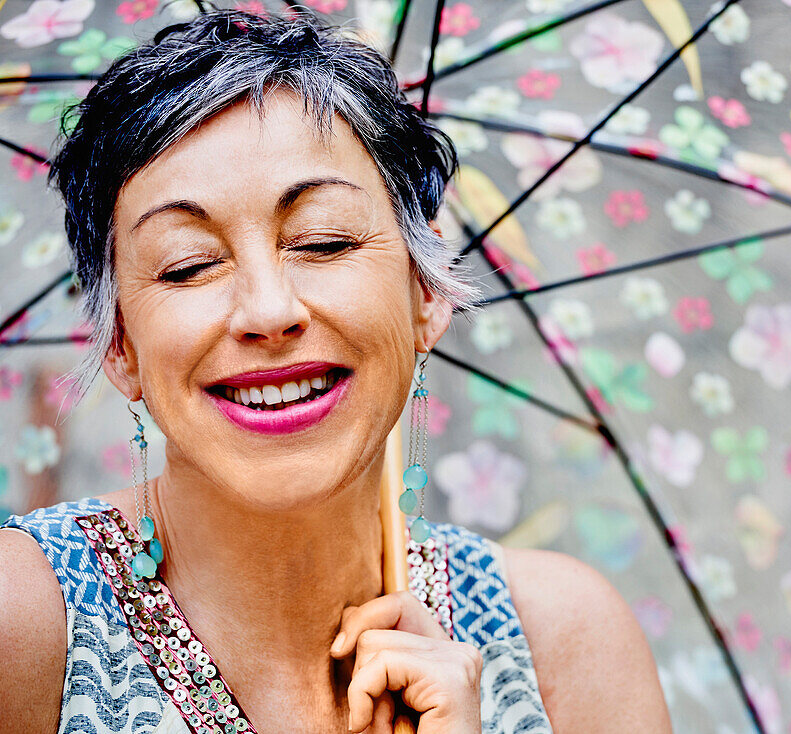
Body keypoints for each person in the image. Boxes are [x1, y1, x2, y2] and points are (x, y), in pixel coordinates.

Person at [0, 10, 672, 734]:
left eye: (323, 241)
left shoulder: (566, 641)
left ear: (426, 290)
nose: (268, 309)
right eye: (189, 264)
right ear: (121, 345)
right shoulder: (24, 624)